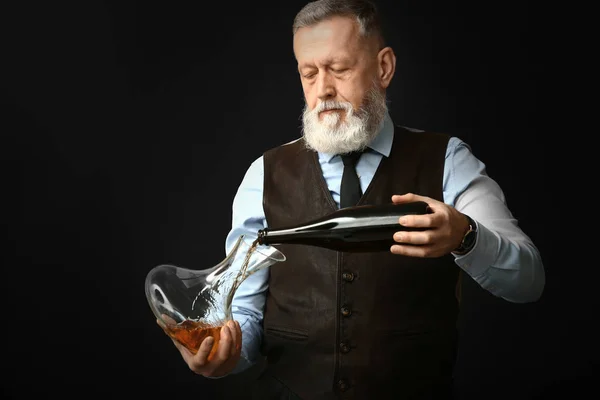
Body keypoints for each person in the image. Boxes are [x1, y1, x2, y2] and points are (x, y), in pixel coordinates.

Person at [158, 0, 545, 398]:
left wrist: (466, 236)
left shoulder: (447, 161)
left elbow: (529, 280)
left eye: (339, 69)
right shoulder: (264, 174)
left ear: (383, 67)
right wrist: (226, 356)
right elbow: (244, 316)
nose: (324, 89)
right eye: (309, 74)